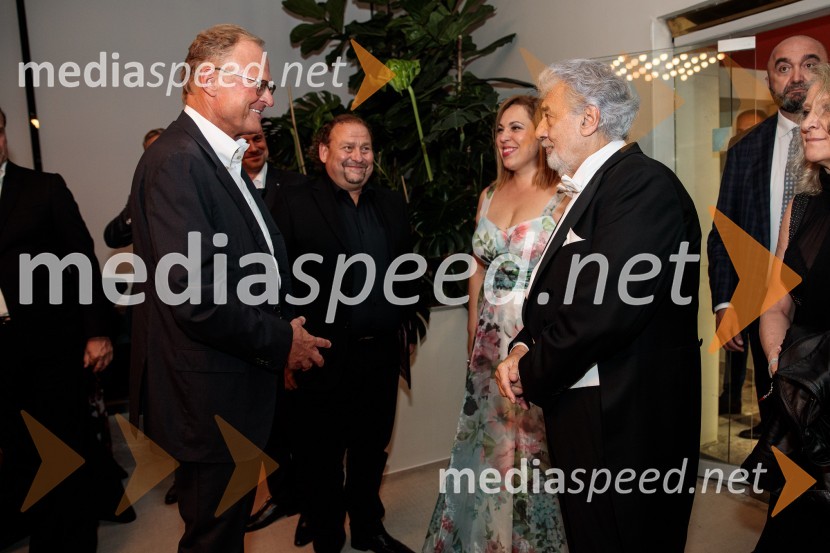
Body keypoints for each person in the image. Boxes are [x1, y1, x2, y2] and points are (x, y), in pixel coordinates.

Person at [128, 24, 330, 553]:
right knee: (214, 538)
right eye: (257, 83)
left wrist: (281, 325)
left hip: (233, 381)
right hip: (209, 392)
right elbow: (195, 297)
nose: (267, 97)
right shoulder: (178, 161)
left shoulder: (218, 157)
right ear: (208, 79)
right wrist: (282, 340)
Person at [495, 59, 701, 553]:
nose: (540, 131)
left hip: (626, 417)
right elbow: (562, 294)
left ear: (589, 120)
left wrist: (531, 366)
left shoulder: (641, 186)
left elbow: (604, 309)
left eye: (547, 115)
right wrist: (525, 342)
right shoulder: (600, 187)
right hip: (588, 399)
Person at [422, 95, 568, 552]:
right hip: (487, 338)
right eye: (500, 130)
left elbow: (569, 274)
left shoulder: (564, 195)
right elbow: (477, 269)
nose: (505, 137)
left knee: (533, 446)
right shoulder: (488, 193)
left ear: (541, 133)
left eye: (517, 128)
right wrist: (471, 330)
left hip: (534, 335)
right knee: (486, 443)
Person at [272, 114, 419, 553]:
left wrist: (409, 325)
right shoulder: (295, 203)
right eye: (347, 148)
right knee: (320, 461)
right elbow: (276, 280)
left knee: (371, 453)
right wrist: (286, 344)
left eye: (366, 148)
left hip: (380, 357)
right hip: (322, 357)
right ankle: (329, 539)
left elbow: (408, 271)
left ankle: (369, 529)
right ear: (323, 153)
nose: (358, 157)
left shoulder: (392, 204)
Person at [0, 106, 114, 551]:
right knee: (18, 451)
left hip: (49, 346)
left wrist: (97, 331)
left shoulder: (43, 188)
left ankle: (68, 542)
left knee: (62, 449)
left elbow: (81, 261)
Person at [708, 36, 828, 429]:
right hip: (768, 316)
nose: (798, 76)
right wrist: (725, 302)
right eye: (784, 67)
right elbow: (724, 232)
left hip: (820, 321)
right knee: (783, 435)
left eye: (810, 65)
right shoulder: (745, 150)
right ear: (768, 81)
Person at [755, 62, 830, 551]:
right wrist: (778, 356)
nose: (807, 123)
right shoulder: (801, 206)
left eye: (825, 111)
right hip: (806, 394)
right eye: (807, 112)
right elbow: (776, 298)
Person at [239, 126, 309, 535]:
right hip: (248, 326)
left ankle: (313, 506)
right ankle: (284, 496)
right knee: (269, 428)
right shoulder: (222, 186)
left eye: (259, 140)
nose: (253, 147)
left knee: (305, 424)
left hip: (296, 318)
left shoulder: (298, 186)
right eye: (245, 141)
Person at [104, 128, 164, 249]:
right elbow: (113, 238)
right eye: (150, 152)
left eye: (159, 150)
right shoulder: (141, 192)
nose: (155, 157)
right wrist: (138, 209)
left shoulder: (188, 185)